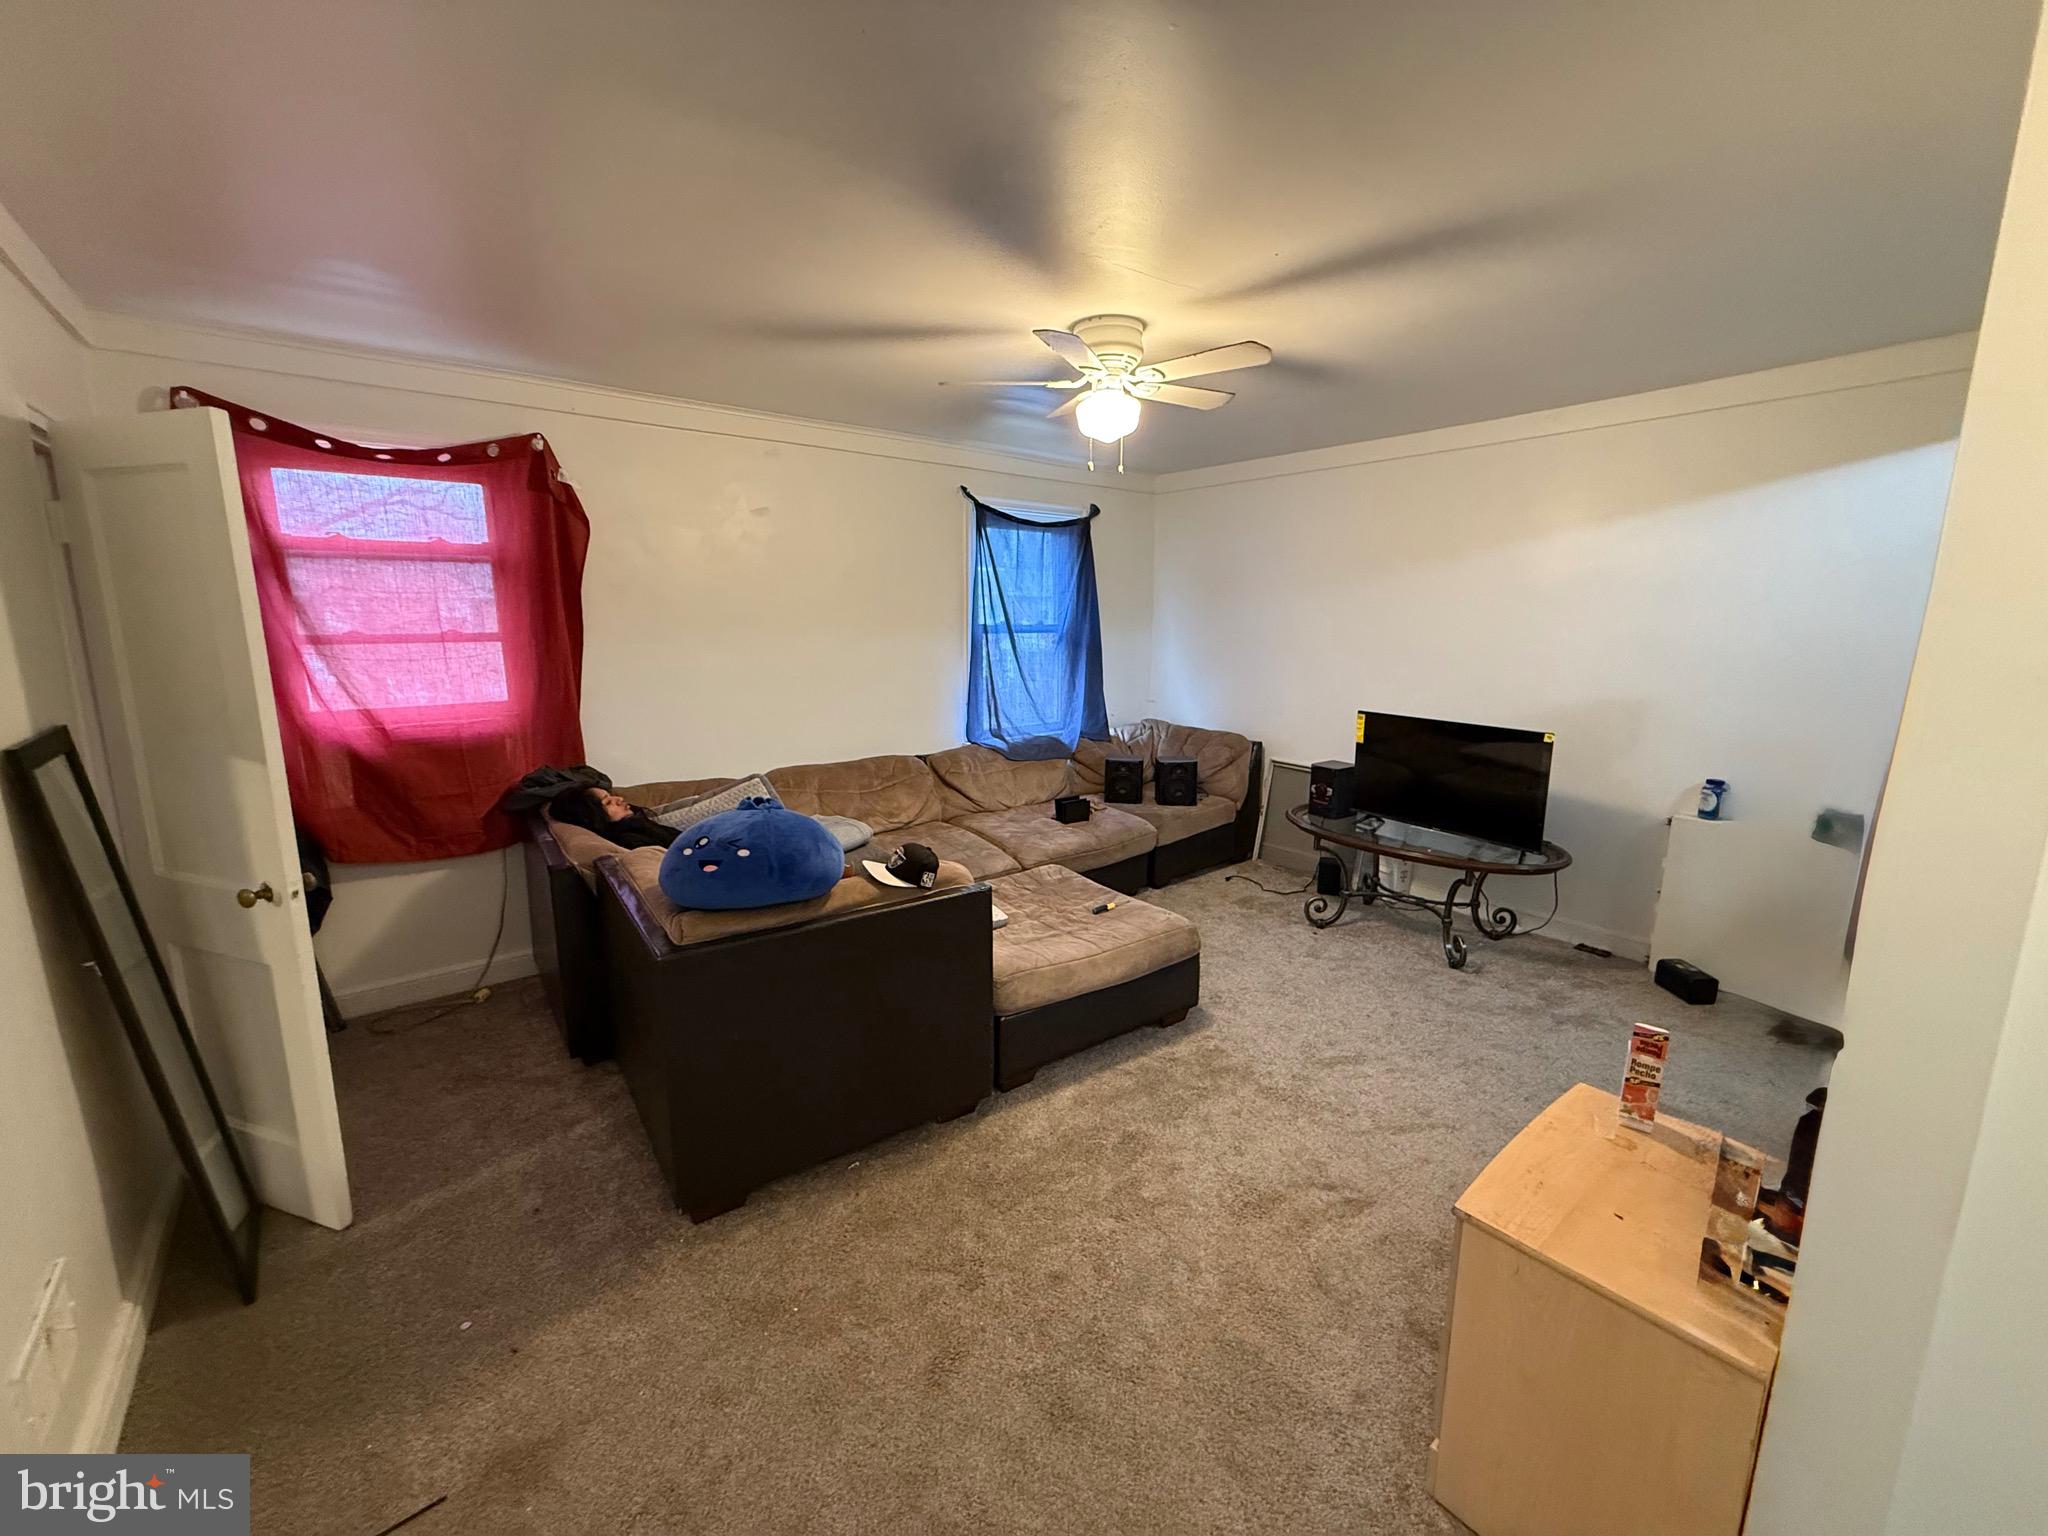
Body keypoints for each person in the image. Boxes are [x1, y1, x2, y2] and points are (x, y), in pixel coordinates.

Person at [545, 785, 678, 850]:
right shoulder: (630, 840)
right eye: (608, 802)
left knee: (691, 802)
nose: (619, 799)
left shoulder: (635, 821)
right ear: (594, 817)